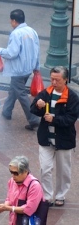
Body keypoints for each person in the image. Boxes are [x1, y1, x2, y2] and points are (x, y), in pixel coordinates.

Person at [30, 66, 79, 207]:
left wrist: (54, 119)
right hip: (46, 138)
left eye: (57, 80)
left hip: (64, 140)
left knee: (63, 171)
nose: (53, 82)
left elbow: (71, 119)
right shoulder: (46, 93)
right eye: (52, 79)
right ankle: (47, 196)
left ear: (65, 80)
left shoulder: (73, 97)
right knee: (45, 168)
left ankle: (61, 195)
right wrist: (38, 106)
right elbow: (33, 109)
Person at [0, 9, 41, 130]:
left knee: (21, 94)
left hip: (17, 70)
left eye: (11, 20)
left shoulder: (16, 33)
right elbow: (37, 51)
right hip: (28, 69)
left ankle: (34, 119)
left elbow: (11, 53)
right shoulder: (32, 31)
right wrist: (36, 67)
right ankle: (6, 111)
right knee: (14, 89)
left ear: (14, 21)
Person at [0, 156, 44, 225]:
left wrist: (8, 208)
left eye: (16, 173)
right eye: (11, 172)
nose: (13, 176)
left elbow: (29, 209)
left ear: (25, 171)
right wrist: (3, 207)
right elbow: (9, 198)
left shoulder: (34, 186)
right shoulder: (12, 181)